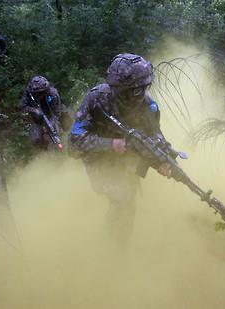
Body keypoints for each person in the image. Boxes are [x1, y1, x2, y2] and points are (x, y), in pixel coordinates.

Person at [69, 53, 171, 241]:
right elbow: (74, 142)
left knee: (129, 206)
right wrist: (110, 144)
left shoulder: (148, 105)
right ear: (121, 89)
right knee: (121, 199)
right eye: (136, 89)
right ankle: (106, 246)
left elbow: (155, 135)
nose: (142, 93)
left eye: (144, 87)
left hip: (127, 162)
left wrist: (162, 160)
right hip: (99, 161)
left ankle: (119, 247)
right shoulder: (96, 99)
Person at [22, 75, 69, 150]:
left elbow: (57, 113)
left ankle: (64, 145)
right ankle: (43, 151)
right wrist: (35, 110)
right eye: (38, 93)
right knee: (35, 139)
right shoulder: (29, 92)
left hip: (53, 114)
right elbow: (24, 107)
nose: (39, 94)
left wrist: (49, 126)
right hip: (38, 119)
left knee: (57, 132)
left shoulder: (53, 93)